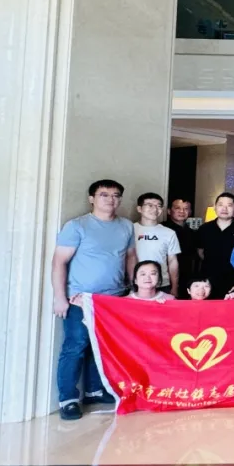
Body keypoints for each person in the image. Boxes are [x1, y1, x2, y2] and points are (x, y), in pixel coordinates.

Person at [52, 179, 135, 421]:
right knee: (76, 346)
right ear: (92, 199)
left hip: (114, 298)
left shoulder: (126, 226)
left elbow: (130, 257)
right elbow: (59, 262)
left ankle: (94, 390)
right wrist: (60, 297)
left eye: (116, 195)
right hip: (80, 298)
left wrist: (133, 289)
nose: (110, 199)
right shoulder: (77, 226)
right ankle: (68, 399)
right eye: (104, 194)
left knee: (102, 346)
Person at [197, 192, 234, 298]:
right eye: (220, 205)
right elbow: (200, 252)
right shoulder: (204, 228)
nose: (224, 209)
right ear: (215, 207)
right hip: (208, 279)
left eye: (229, 205)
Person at [133, 192, 181, 297]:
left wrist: (174, 287)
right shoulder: (130, 230)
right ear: (139, 209)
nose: (155, 209)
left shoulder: (169, 233)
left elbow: (172, 261)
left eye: (159, 206)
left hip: (162, 284)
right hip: (136, 284)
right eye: (150, 205)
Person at [162, 197, 198, 293]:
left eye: (186, 208)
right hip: (165, 279)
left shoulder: (192, 233)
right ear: (169, 211)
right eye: (177, 208)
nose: (182, 211)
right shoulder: (162, 229)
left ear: (190, 212)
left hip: (187, 278)